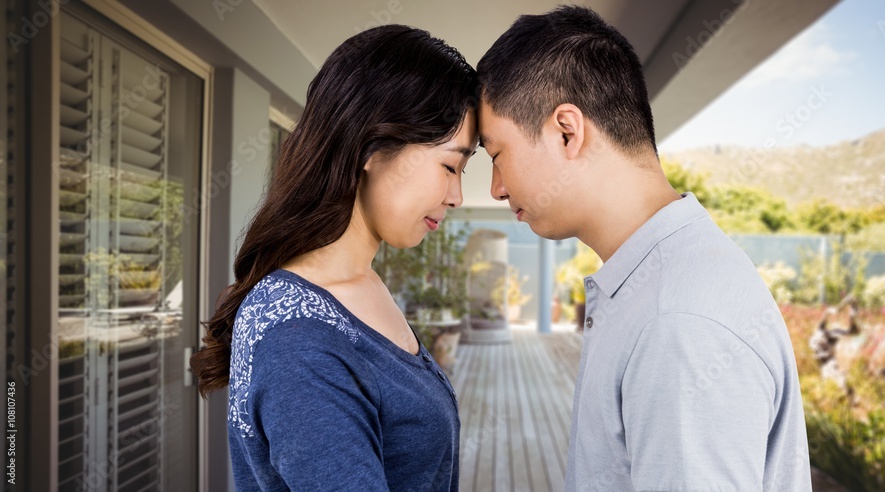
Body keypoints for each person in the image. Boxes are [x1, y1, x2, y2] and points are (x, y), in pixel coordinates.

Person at [476, 6, 812, 491]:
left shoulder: (676, 321)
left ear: (567, 131)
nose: (496, 188)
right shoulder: (664, 280)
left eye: (497, 155)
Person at [189, 25, 478, 491]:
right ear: (372, 145)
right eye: (449, 166)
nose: (457, 195)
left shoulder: (361, 284)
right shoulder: (298, 342)